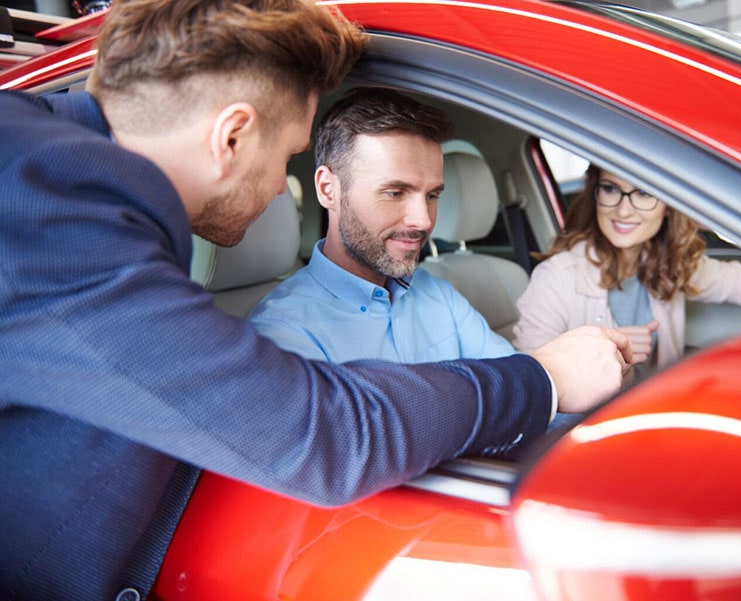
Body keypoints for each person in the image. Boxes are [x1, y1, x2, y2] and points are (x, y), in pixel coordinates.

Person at [0, 2, 632, 599]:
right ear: (232, 137)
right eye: (289, 157)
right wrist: (544, 377)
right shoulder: (54, 216)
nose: (282, 186)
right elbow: (325, 431)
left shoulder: (52, 184)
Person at [248, 87, 518, 363]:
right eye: (395, 193)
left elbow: (519, 386)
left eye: (432, 195)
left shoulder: (437, 293)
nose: (423, 220)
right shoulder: (284, 334)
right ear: (328, 190)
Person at [513, 165, 741, 375]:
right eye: (610, 189)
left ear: (668, 207)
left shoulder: (671, 262)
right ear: (596, 194)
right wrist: (604, 352)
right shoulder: (556, 276)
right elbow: (528, 382)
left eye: (644, 193)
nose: (623, 210)